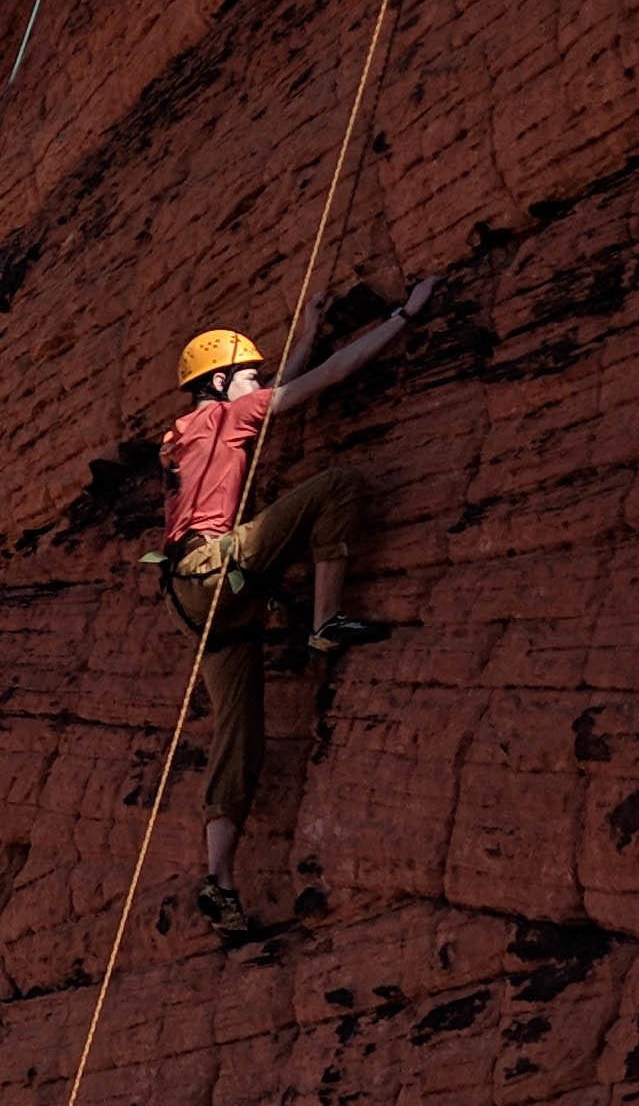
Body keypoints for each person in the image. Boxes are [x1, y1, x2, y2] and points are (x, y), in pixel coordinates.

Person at [160, 275, 437, 941]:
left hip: (190, 598)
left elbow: (273, 390)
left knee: (239, 739)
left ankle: (220, 883)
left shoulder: (192, 425)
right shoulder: (231, 413)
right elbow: (332, 377)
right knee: (336, 484)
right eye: (249, 373)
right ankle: (325, 621)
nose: (259, 380)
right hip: (216, 569)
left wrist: (308, 329)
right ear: (224, 384)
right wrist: (403, 315)